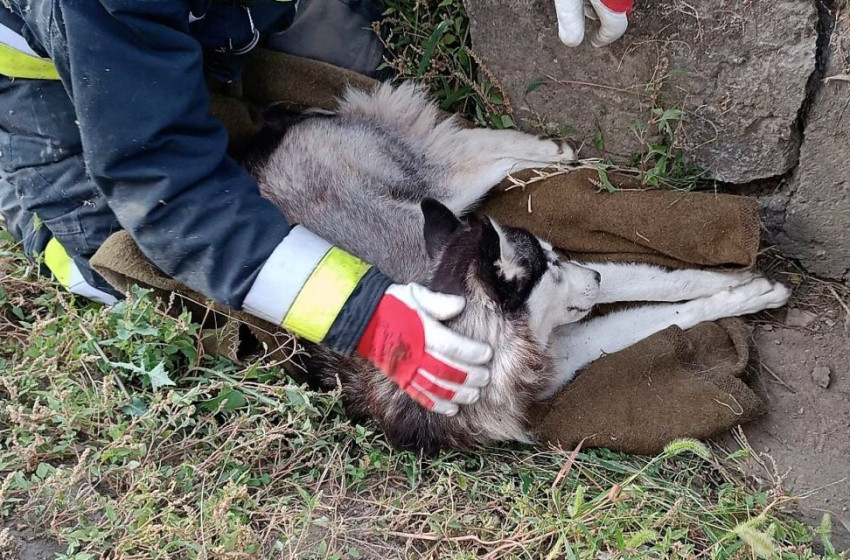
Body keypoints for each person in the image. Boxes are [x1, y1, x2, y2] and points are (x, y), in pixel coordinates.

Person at [0, 0, 631, 417]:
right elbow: (168, 188)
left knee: (348, 81)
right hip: (53, 66)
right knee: (122, 269)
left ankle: (216, 63)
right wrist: (366, 316)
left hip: (219, 14)